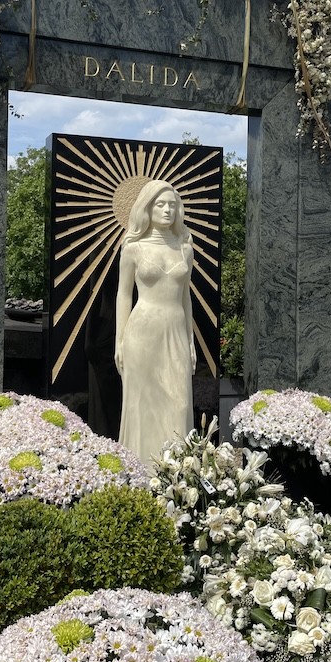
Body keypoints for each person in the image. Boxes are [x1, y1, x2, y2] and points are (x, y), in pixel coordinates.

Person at [115, 180, 195, 469]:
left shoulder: (186, 248)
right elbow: (123, 295)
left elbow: (186, 299)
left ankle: (177, 478)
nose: (167, 210)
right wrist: (119, 340)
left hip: (174, 330)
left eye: (172, 205)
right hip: (142, 332)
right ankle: (141, 473)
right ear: (147, 208)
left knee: (180, 403)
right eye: (160, 204)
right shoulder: (133, 248)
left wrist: (191, 341)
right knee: (142, 405)